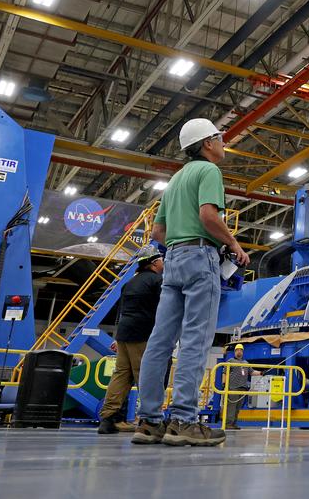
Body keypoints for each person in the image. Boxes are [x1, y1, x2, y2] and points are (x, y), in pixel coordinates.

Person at [132, 118, 250, 448]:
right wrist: (233, 245)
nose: (223, 142)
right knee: (196, 340)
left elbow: (158, 233)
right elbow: (209, 217)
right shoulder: (209, 172)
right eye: (219, 137)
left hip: (173, 261)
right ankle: (183, 419)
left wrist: (181, 245)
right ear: (207, 143)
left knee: (160, 342)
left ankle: (149, 421)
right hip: (200, 258)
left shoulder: (175, 181)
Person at [98, 249, 164, 434]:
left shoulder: (129, 283)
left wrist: (118, 337)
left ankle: (108, 419)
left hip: (124, 335)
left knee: (121, 375)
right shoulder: (156, 281)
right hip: (142, 334)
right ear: (153, 263)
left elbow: (123, 311)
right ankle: (149, 420)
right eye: (161, 260)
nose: (163, 263)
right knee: (145, 376)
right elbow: (163, 309)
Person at [223, 344, 252, 429]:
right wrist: (224, 384)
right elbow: (225, 373)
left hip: (242, 388)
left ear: (242, 352)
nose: (239, 351)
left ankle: (234, 423)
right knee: (231, 407)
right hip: (233, 387)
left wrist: (261, 373)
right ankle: (228, 424)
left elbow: (252, 372)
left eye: (241, 350)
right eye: (237, 350)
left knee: (238, 407)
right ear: (235, 352)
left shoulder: (246, 363)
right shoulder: (230, 361)